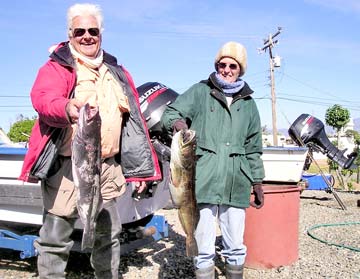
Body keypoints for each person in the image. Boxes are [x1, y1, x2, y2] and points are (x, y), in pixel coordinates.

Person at [19, 3, 161, 279]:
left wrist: (141, 169)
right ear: (70, 34)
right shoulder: (57, 67)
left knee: (108, 237)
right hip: (67, 169)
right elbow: (43, 98)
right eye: (80, 31)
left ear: (101, 34)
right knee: (55, 239)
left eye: (92, 30)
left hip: (107, 168)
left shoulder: (116, 70)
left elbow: (133, 124)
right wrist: (66, 107)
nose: (87, 36)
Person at [161, 41, 265, 279]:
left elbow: (253, 147)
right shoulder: (200, 91)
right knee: (203, 245)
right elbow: (171, 113)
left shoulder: (249, 105)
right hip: (202, 181)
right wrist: (178, 124)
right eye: (222, 64)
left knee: (236, 245)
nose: (226, 70)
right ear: (216, 65)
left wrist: (257, 181)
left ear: (241, 70)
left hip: (236, 182)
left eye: (233, 66)